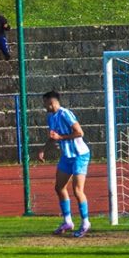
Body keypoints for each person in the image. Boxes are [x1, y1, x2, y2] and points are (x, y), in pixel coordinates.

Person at [37, 90, 91, 238]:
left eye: (45, 103)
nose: (44, 106)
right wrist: (43, 149)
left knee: (77, 190)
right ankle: (68, 221)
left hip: (80, 155)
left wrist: (61, 137)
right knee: (59, 187)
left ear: (51, 102)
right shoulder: (51, 117)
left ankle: (85, 222)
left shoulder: (65, 114)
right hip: (67, 156)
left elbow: (80, 133)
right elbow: (54, 137)